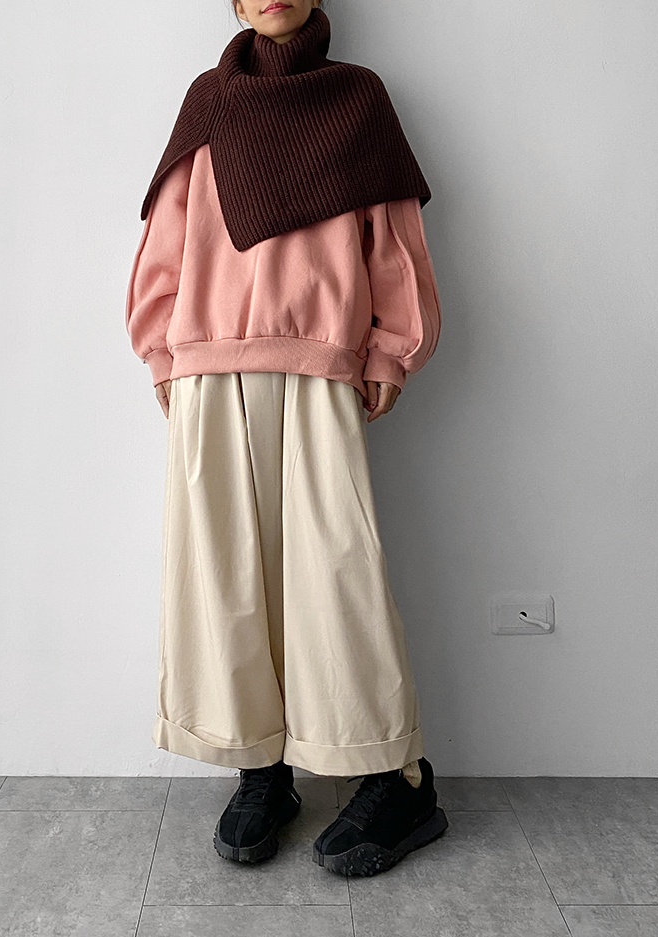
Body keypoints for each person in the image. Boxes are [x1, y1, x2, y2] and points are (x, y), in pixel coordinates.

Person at [125, 0, 448, 877]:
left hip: (321, 361)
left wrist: (392, 346)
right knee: (222, 578)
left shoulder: (358, 98)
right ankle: (261, 767)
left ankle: (398, 777)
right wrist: (162, 352)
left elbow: (395, 238)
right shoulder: (208, 102)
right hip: (206, 366)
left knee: (337, 572)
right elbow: (166, 239)